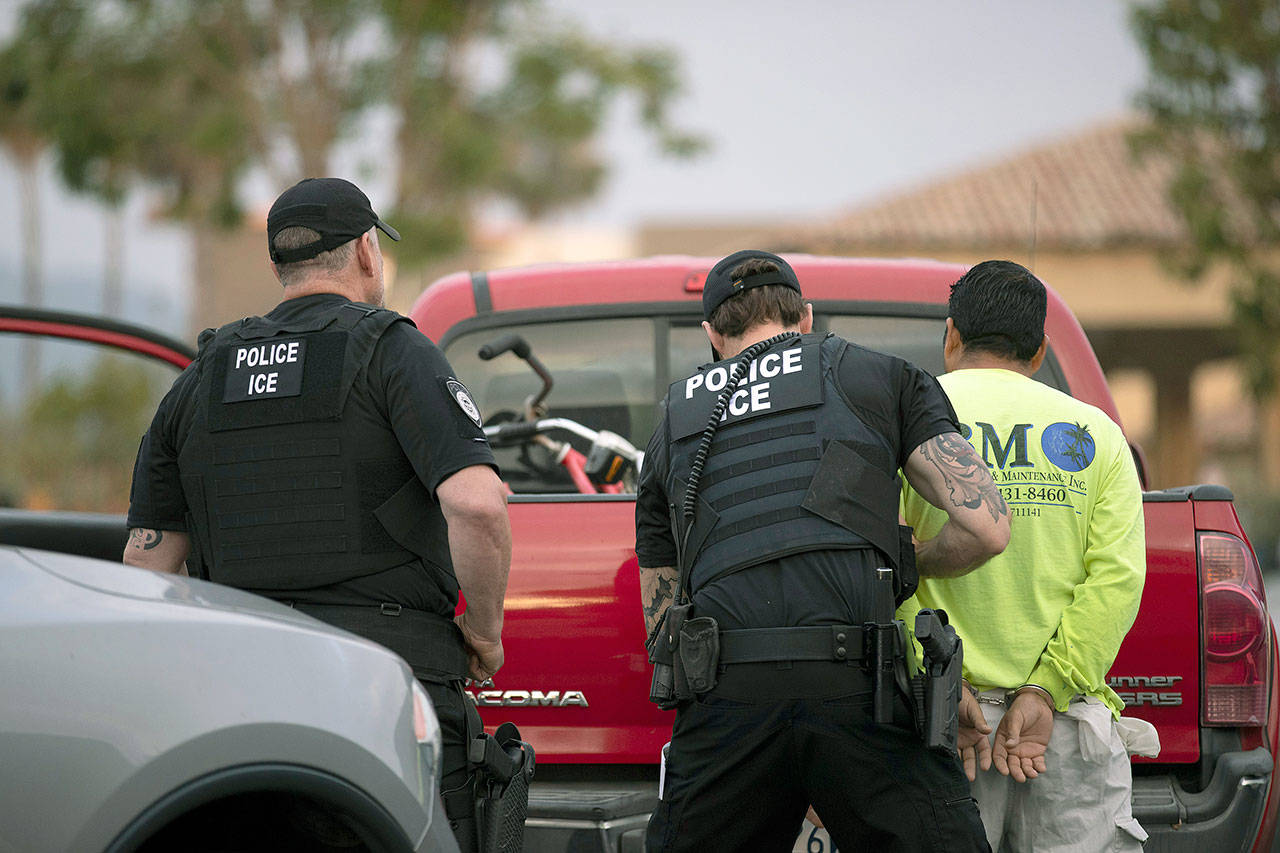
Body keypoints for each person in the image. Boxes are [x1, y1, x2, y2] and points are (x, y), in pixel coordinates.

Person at [123, 177, 511, 850]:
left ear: (281, 266)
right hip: (385, 686)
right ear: (366, 251)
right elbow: (476, 504)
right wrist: (484, 633)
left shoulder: (203, 373)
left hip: (237, 695)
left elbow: (147, 563)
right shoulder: (394, 349)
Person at [634, 249, 1011, 852]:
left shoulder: (673, 423)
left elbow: (660, 621)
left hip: (729, 702)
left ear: (711, 333)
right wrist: (906, 563)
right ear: (804, 317)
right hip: (859, 690)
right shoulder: (878, 375)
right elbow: (987, 528)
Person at [900, 260, 1151, 851]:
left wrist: (938, 675)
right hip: (1061, 731)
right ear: (1038, 352)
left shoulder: (903, 423)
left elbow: (880, 565)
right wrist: (1047, 688)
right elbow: (1118, 578)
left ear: (951, 336)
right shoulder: (1097, 434)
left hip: (941, 725)